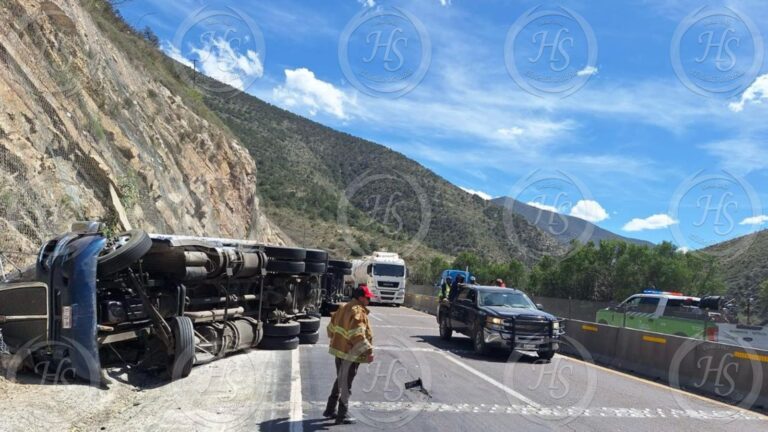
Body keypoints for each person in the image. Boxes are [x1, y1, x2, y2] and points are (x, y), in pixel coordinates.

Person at [323, 284, 374, 425]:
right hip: (351, 355)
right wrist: (369, 351)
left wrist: (338, 341)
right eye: (367, 298)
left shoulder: (343, 307)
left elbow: (330, 329)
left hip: (339, 351)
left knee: (340, 379)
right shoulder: (358, 312)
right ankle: (341, 416)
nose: (369, 301)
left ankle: (329, 409)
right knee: (346, 384)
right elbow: (357, 335)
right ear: (361, 298)